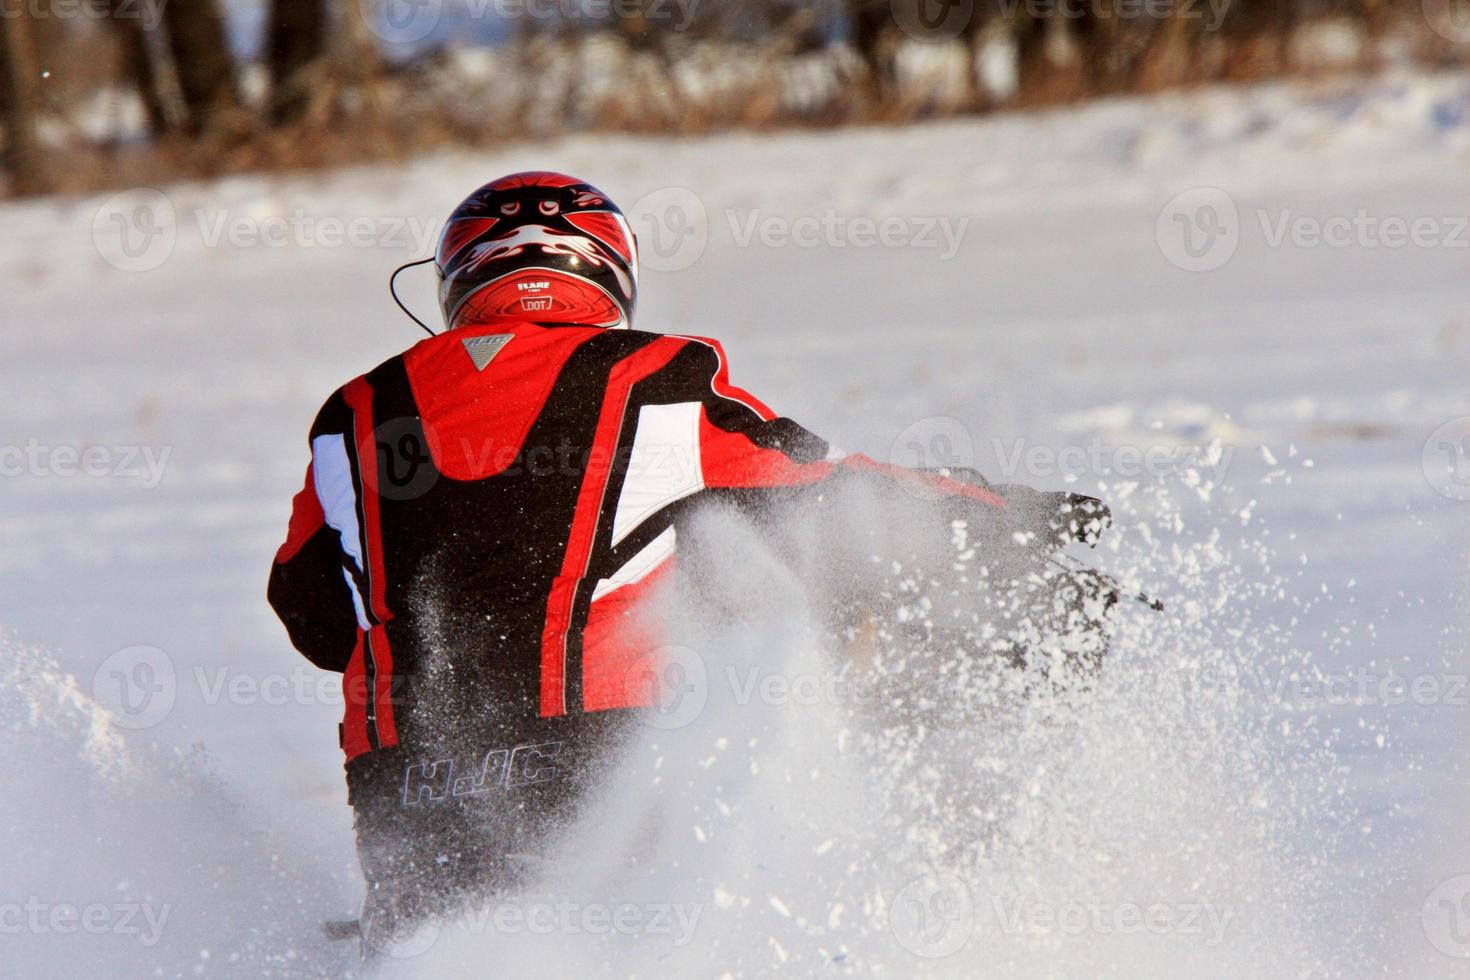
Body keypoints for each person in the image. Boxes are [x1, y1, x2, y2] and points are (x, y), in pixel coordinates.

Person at [267, 171, 1109, 954]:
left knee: (436, 949)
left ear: (459, 281)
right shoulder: (652, 377)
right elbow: (822, 489)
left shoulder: (353, 415)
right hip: (600, 756)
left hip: (405, 786)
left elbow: (309, 611)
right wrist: (998, 513)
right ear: (605, 274)